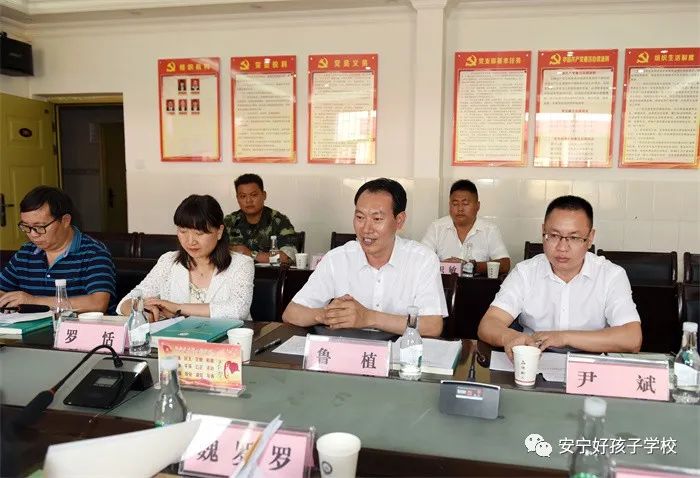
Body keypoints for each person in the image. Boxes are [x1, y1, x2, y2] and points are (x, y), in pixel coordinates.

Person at [477, 195, 642, 358]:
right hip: (536, 359)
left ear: (590, 238)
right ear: (543, 231)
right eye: (554, 236)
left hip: (591, 364)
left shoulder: (611, 275)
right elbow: (489, 324)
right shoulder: (525, 272)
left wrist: (564, 337)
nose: (562, 247)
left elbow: (632, 338)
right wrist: (510, 337)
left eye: (574, 238)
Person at [282, 178, 447, 337]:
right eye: (360, 217)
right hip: (348, 352)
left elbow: (432, 326)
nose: (366, 229)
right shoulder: (337, 259)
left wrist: (368, 318)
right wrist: (329, 315)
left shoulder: (422, 260)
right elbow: (291, 313)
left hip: (400, 352)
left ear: (399, 220)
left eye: (377, 219)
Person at [117, 195, 253, 321]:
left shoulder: (241, 264)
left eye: (199, 233)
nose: (190, 241)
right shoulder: (168, 261)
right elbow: (125, 303)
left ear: (219, 232)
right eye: (183, 231)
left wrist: (178, 308)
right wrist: (143, 312)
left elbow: (238, 309)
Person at [0, 186, 116, 313]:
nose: (33, 234)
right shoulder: (26, 252)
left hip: (77, 325)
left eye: (40, 227)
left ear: (65, 220)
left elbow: (97, 304)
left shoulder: (94, 253)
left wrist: (33, 300)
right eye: (26, 226)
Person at [422, 179, 510, 275]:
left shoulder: (489, 230)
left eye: (465, 204)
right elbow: (421, 258)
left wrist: (472, 266)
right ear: (449, 206)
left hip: (477, 283)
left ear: (477, 206)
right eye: (455, 204)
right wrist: (444, 265)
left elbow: (505, 264)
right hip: (442, 284)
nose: (460, 209)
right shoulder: (436, 228)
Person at [224, 173, 298, 264]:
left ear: (264, 195)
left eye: (253, 195)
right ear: (237, 198)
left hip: (268, 273)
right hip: (236, 272)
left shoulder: (279, 221)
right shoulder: (229, 222)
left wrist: (251, 254)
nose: (248, 200)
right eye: (243, 196)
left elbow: (288, 257)